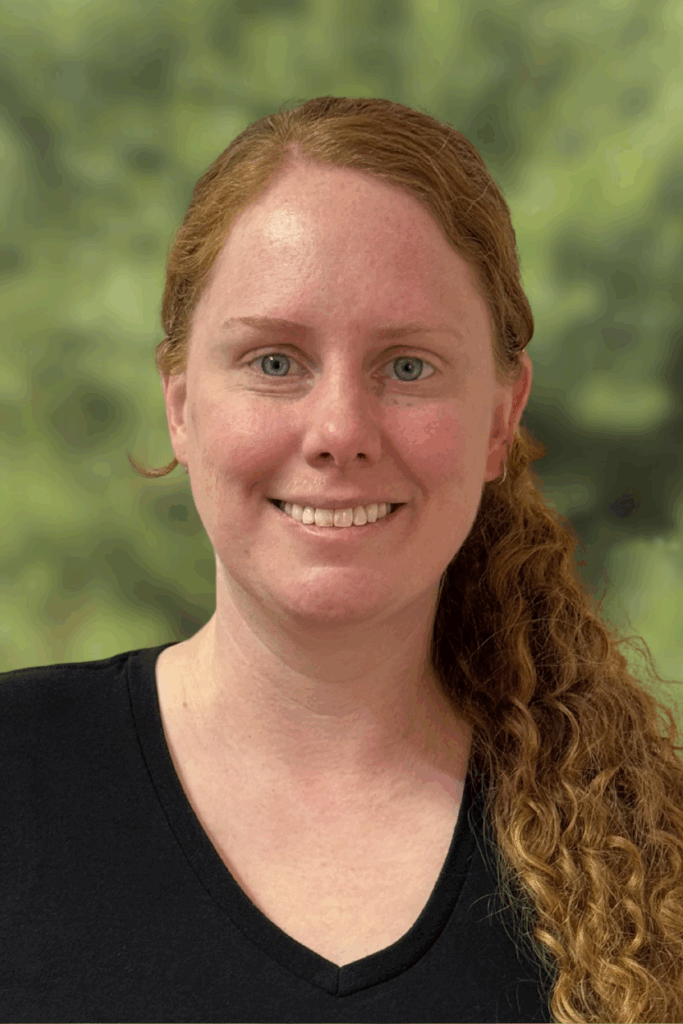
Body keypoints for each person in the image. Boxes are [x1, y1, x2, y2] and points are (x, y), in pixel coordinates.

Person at [2, 96, 682, 1024]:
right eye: (274, 361)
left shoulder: (649, 854)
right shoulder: (17, 776)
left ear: (498, 417)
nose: (339, 433)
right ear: (180, 405)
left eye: (407, 366)